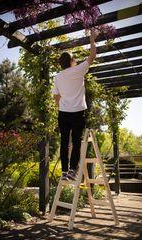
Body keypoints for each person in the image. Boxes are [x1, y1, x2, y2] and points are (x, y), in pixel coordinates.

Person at [51, 30, 97, 181]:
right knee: (76, 142)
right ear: (71, 61)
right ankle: (72, 171)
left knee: (64, 143)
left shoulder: (57, 76)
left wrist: (62, 108)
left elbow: (56, 97)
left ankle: (64, 172)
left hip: (63, 113)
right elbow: (92, 57)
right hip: (77, 113)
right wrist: (92, 39)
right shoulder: (78, 70)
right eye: (74, 58)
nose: (76, 60)